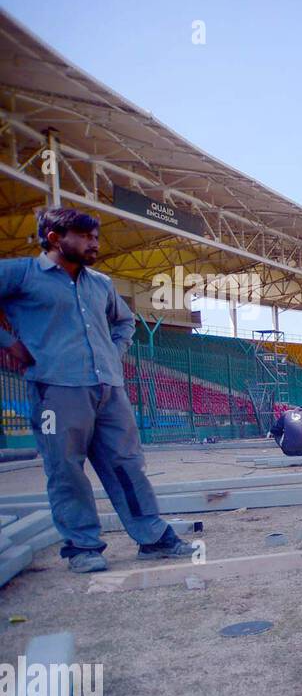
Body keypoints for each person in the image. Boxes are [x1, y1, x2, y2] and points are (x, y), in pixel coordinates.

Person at [0, 207, 198, 573]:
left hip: (109, 389)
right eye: (85, 236)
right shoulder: (23, 274)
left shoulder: (101, 284)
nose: (95, 243)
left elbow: (125, 323)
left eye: (96, 236)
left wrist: (113, 353)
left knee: (128, 465)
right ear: (56, 238)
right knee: (66, 469)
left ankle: (153, 538)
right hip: (54, 389)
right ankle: (82, 547)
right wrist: (9, 344)